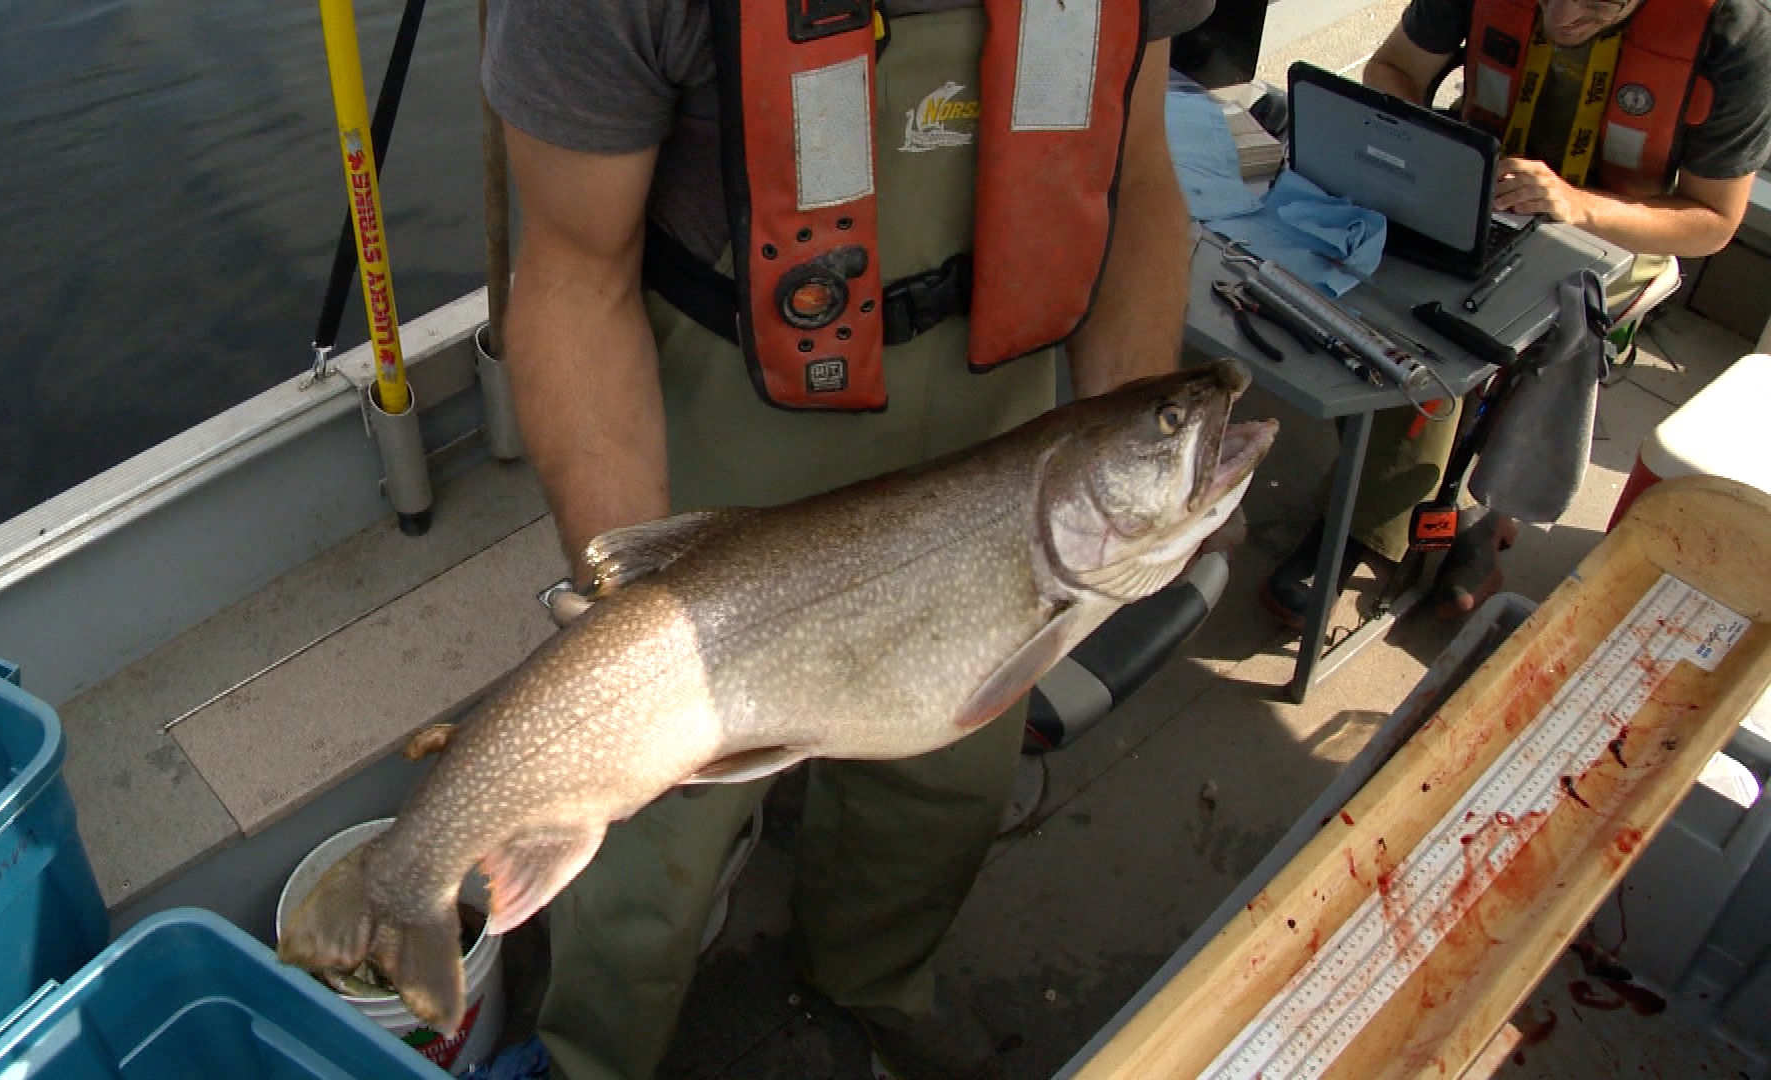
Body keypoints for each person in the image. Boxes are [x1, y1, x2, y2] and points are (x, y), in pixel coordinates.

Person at [479, 0, 1213, 1077]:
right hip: (729, 434)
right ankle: (595, 1054)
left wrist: (1145, 479)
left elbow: (1136, 173)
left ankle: (867, 1002)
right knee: (647, 833)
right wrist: (625, 610)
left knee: (946, 784)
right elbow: (575, 272)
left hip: (1001, 432)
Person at [1260, 0, 1771, 626]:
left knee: (1500, 337)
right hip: (1472, 193)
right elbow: (1394, 67)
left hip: (1614, 231)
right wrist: (1425, 159)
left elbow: (1712, 221)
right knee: (1384, 294)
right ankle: (1399, 507)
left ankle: (1439, 512)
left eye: (1597, 4)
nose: (1562, 14)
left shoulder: (1736, 36)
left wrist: (1577, 207)